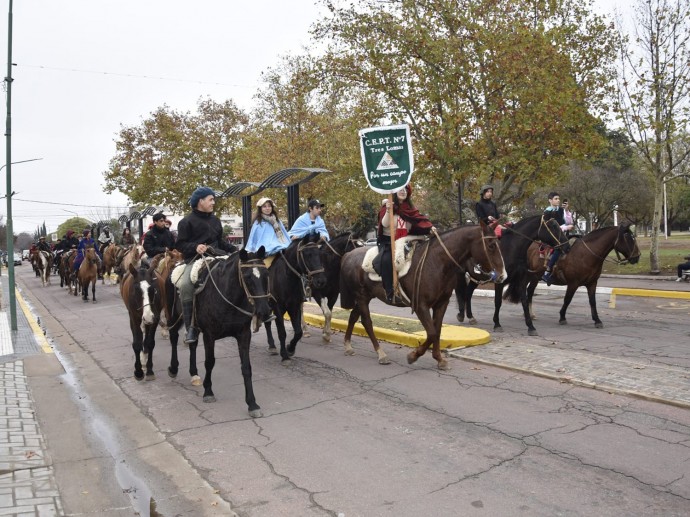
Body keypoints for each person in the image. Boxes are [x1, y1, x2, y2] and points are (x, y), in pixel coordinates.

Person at [175, 186, 238, 344]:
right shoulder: (186, 222)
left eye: (213, 200)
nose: (213, 203)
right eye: (210, 199)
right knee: (185, 285)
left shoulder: (215, 220)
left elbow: (220, 242)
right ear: (200, 201)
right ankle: (191, 328)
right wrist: (195, 247)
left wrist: (235, 250)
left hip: (218, 257)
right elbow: (180, 244)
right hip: (195, 260)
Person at [377, 184, 435, 303]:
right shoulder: (387, 207)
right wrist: (388, 210)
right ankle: (390, 291)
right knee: (387, 260)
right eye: (400, 189)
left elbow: (419, 223)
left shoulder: (410, 209)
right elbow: (384, 224)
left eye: (405, 189)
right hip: (389, 242)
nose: (403, 191)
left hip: (407, 240)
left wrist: (429, 228)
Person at [541, 192, 574, 285]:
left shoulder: (560, 210)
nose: (558, 200)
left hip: (562, 235)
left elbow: (568, 221)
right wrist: (566, 227)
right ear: (550, 200)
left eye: (558, 199)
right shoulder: (547, 212)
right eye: (556, 199)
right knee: (559, 248)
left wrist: (567, 211)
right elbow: (550, 227)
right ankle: (547, 271)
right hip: (552, 236)